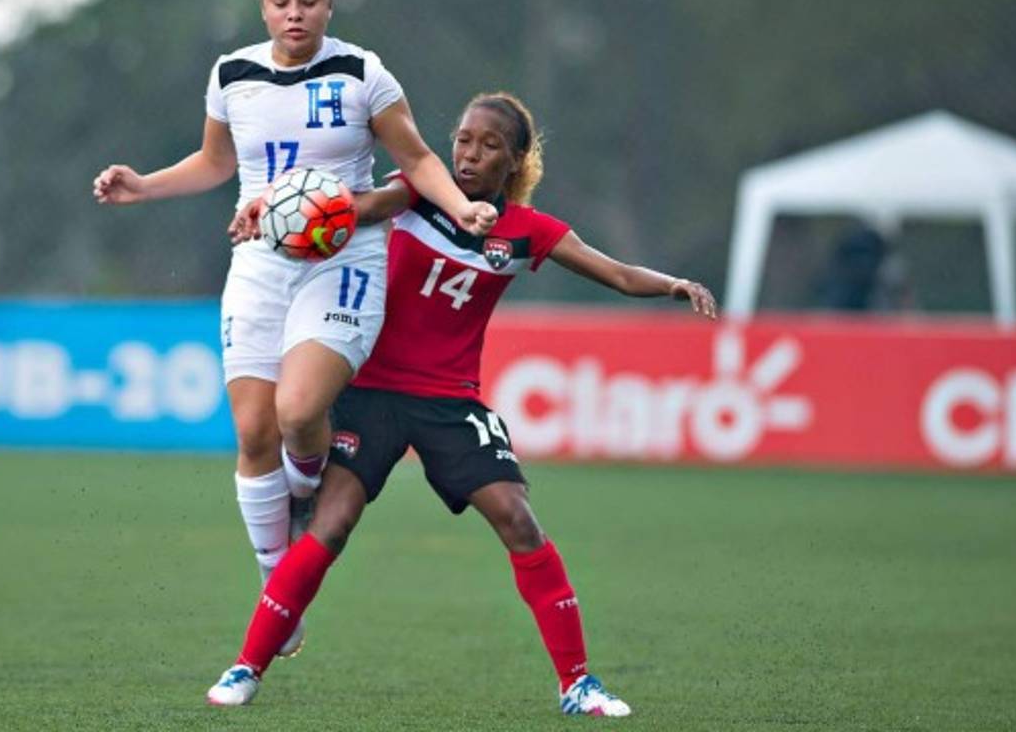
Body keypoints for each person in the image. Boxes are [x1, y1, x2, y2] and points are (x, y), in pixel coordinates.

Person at [209, 92, 718, 715]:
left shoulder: (527, 232)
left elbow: (611, 272)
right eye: (464, 139)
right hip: (371, 391)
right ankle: (246, 668)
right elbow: (359, 208)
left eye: (489, 145)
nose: (469, 154)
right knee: (331, 523)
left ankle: (579, 683)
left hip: (451, 400)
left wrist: (673, 284)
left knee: (518, 519)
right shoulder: (421, 191)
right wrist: (279, 210)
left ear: (517, 160)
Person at [92, 0, 498, 657]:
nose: (294, 13)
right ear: (262, 6)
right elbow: (219, 163)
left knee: (300, 411)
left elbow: (419, 161)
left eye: (308, 0)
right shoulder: (232, 76)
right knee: (253, 433)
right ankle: (276, 582)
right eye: (281, 1)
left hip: (344, 261)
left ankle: (304, 488)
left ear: (329, 4)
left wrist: (461, 206)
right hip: (259, 261)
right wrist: (144, 184)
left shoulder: (362, 73)